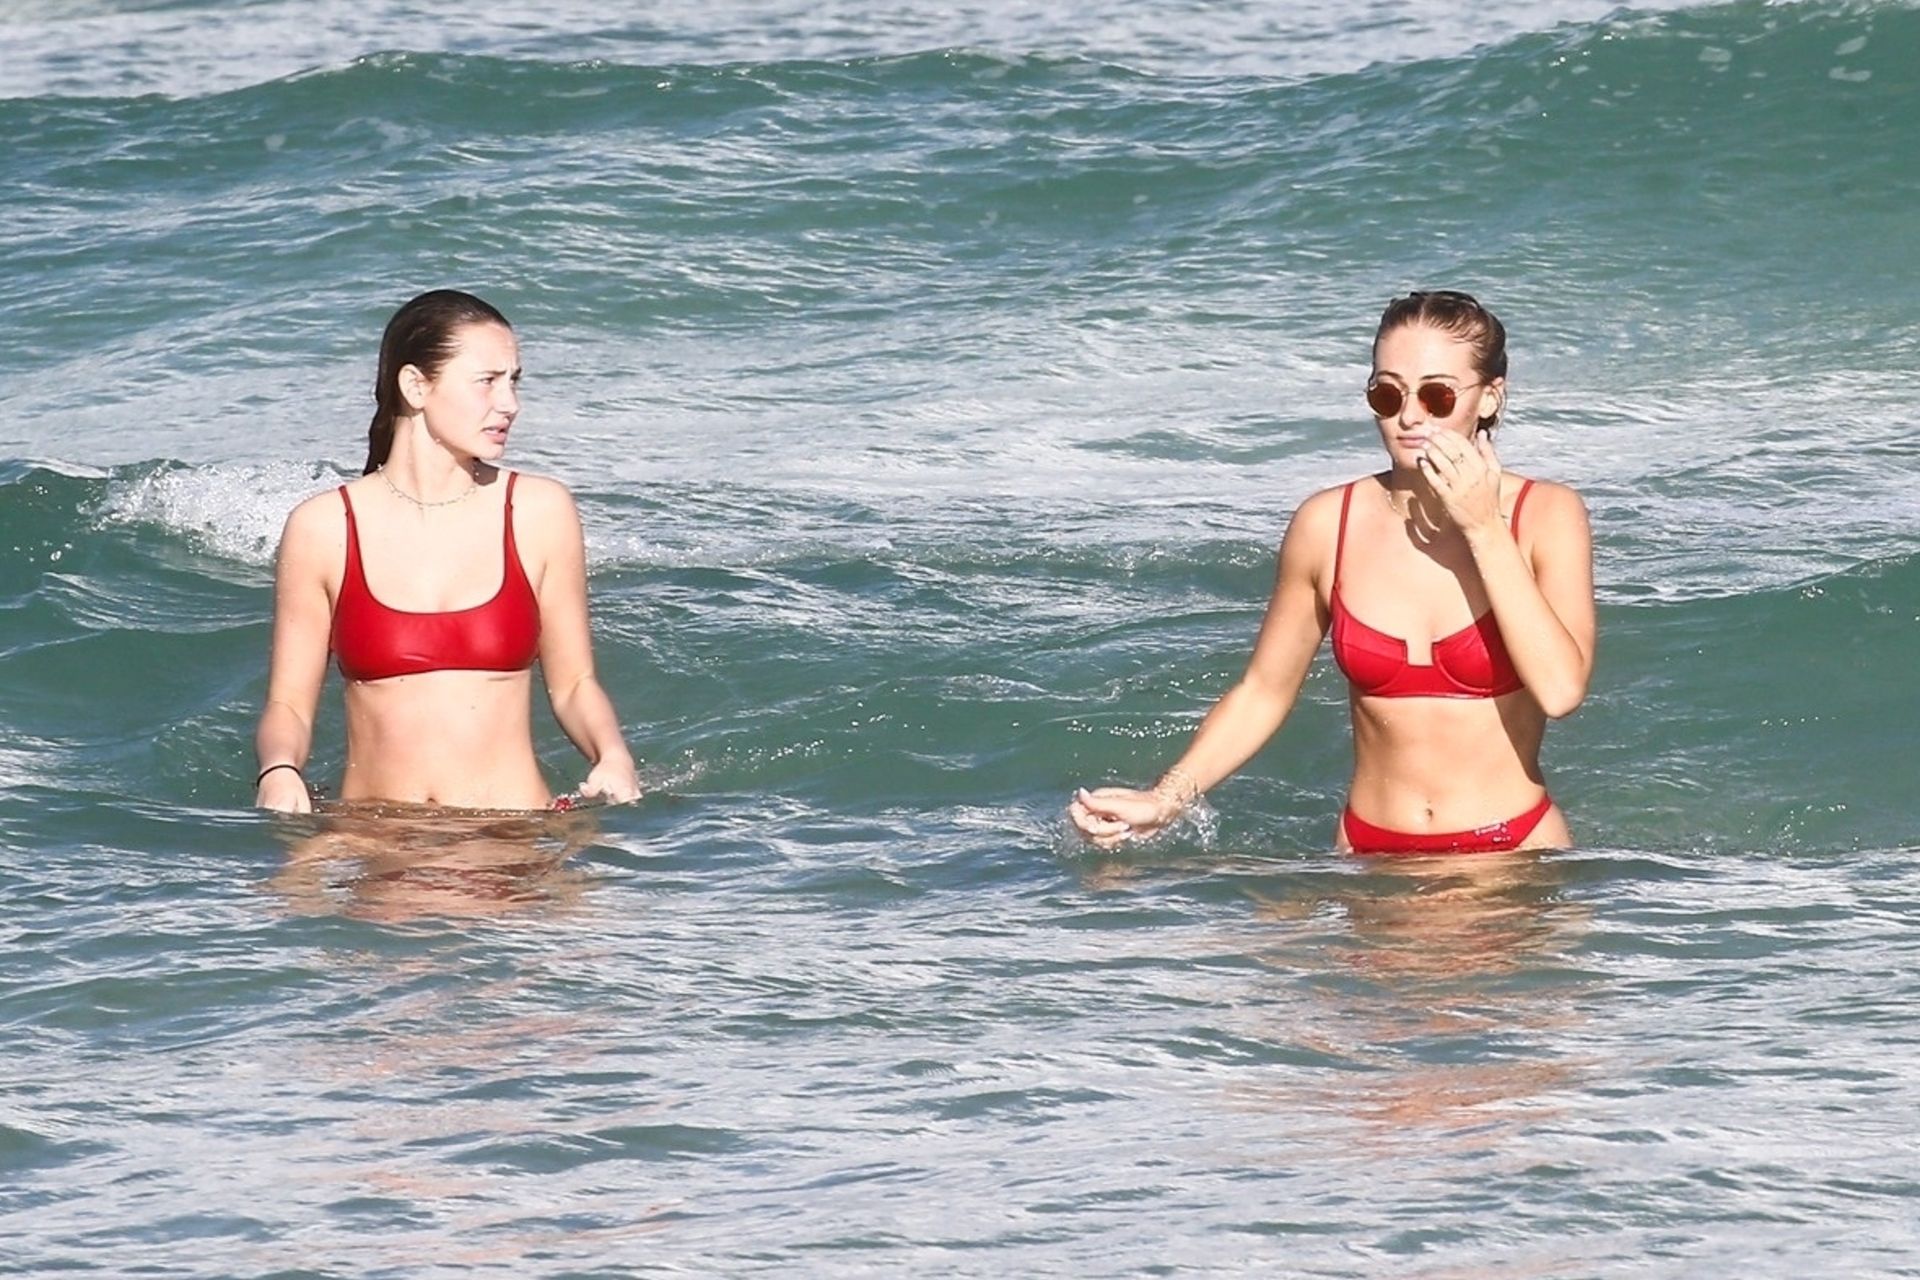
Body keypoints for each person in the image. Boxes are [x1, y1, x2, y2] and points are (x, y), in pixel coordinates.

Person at [1069, 291, 1594, 854]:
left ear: (1489, 398)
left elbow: (1561, 690)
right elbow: (1264, 691)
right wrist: (1166, 798)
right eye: (1387, 394)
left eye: (1436, 395)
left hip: (1510, 852)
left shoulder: (1546, 515)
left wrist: (1484, 528)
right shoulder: (1327, 523)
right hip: (1368, 854)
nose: (1409, 416)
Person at [254, 289, 642, 813]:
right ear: (416, 386)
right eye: (487, 381)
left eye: (514, 381)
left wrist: (613, 755)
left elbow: (575, 684)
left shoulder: (538, 512)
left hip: (513, 833)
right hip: (373, 834)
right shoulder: (323, 527)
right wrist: (279, 771)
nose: (510, 403)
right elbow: (289, 706)